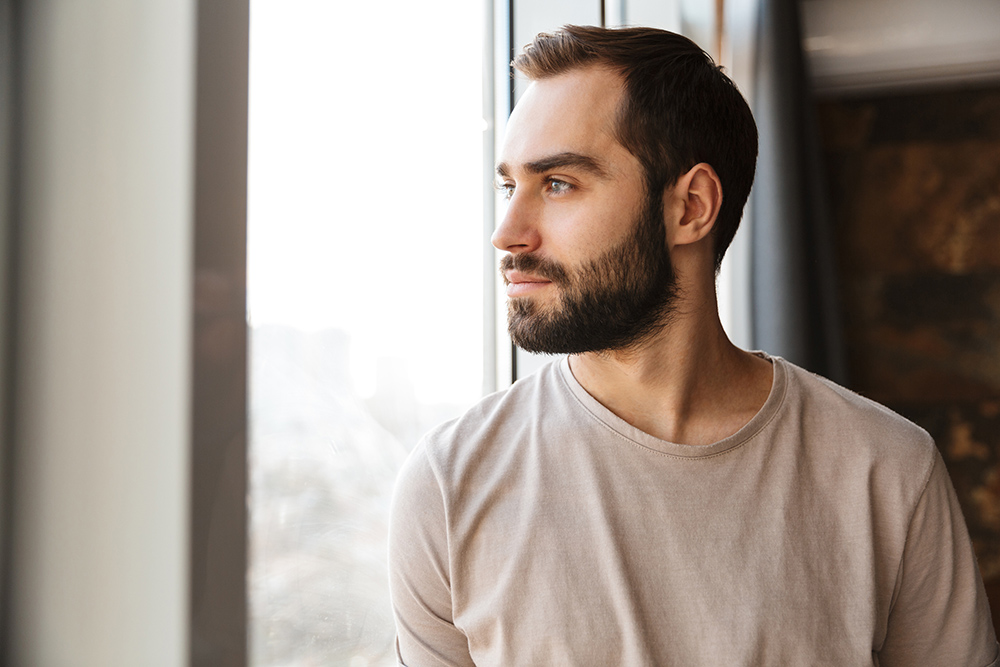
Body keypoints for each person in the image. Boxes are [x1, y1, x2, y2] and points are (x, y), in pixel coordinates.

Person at [388, 25, 999, 666]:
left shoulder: (889, 471)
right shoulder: (448, 487)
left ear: (691, 207)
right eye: (509, 187)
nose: (507, 232)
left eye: (558, 183)